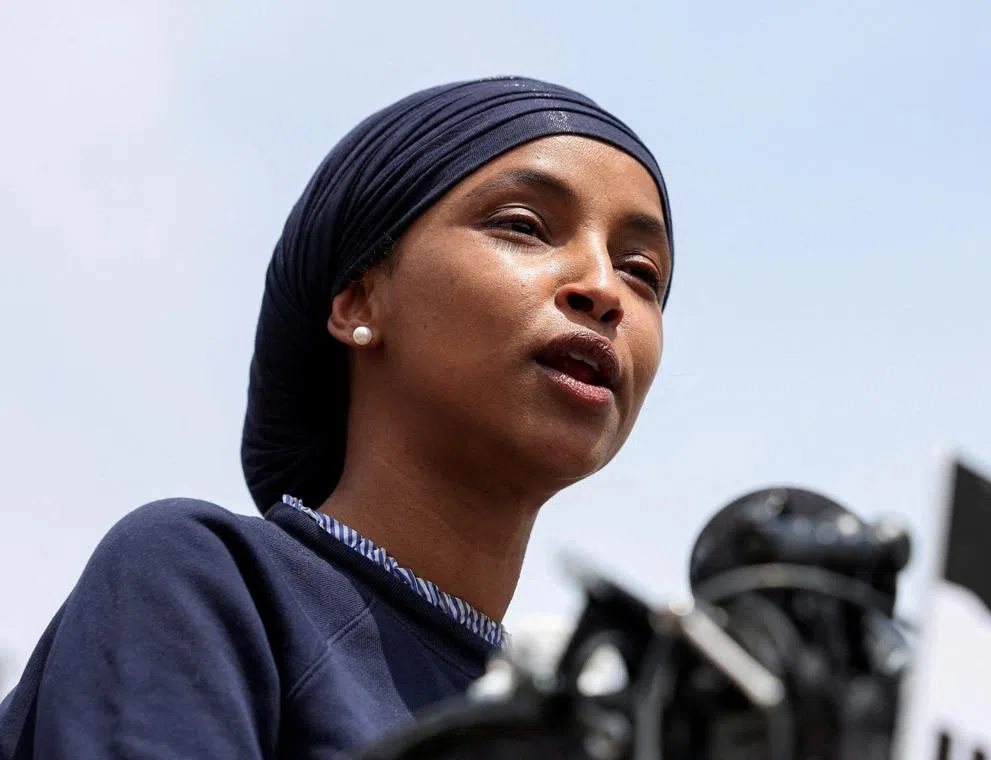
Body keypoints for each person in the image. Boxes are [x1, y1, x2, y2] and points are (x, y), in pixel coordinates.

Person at [0, 76, 674, 759]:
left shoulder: (596, 730)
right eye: (523, 226)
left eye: (642, 272)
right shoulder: (206, 582)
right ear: (358, 303)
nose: (603, 288)